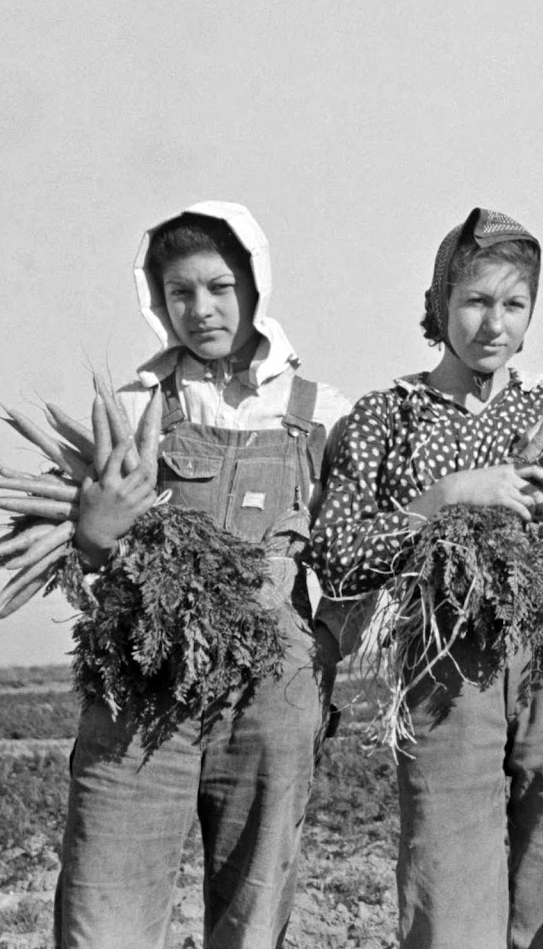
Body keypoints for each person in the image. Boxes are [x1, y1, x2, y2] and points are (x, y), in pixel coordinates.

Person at [309, 207, 543, 949]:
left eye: (513, 304)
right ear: (438, 304)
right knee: (447, 867)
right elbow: (336, 556)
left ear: (531, 313)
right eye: (474, 301)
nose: (493, 324)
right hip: (443, 656)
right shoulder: (383, 417)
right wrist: (447, 497)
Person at [54, 201, 353, 949]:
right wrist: (91, 540)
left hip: (271, 692)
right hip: (140, 683)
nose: (201, 309)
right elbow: (82, 563)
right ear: (157, 300)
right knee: (105, 909)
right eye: (180, 293)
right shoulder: (132, 408)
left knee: (251, 918)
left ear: (255, 285)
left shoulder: (322, 412)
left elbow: (354, 554)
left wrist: (324, 646)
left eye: (219, 287)